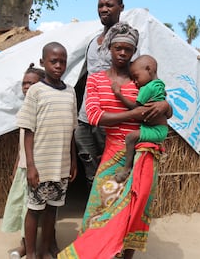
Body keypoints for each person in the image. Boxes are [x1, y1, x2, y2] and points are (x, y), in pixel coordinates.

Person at [58, 23, 171, 259]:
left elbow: (164, 109)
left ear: (134, 51)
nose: (122, 53)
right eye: (117, 48)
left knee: (133, 212)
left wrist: (166, 105)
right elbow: (96, 117)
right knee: (99, 208)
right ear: (109, 48)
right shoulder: (96, 80)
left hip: (144, 155)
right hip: (113, 155)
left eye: (127, 50)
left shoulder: (141, 78)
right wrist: (135, 114)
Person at [16, 42, 78, 259]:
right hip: (40, 165)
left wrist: (73, 161)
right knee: (34, 210)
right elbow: (28, 130)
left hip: (60, 165)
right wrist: (31, 165)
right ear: (43, 62)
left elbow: (71, 130)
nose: (59, 65)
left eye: (62, 61)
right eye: (53, 61)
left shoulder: (70, 92)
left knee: (53, 209)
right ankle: (31, 252)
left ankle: (43, 251)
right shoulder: (36, 91)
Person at [74, 0, 124, 190]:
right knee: (89, 166)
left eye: (109, 5)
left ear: (121, 7)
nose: (104, 9)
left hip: (109, 117)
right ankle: (93, 212)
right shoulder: (93, 42)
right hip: (86, 115)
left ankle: (109, 216)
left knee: (110, 167)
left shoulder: (124, 39)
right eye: (101, 5)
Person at [1, 63, 45, 259]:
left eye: (31, 83)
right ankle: (25, 245)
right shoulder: (24, 108)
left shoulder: (43, 108)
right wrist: (16, 166)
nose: (27, 87)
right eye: (24, 83)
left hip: (38, 168)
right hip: (23, 168)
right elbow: (22, 144)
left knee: (34, 209)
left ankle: (35, 247)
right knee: (22, 209)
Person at [112, 55, 169, 182]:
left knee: (130, 138)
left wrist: (118, 94)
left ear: (149, 69)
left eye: (136, 77)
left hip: (156, 130)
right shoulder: (160, 85)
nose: (135, 82)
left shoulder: (147, 88)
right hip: (161, 128)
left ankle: (126, 168)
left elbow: (135, 108)